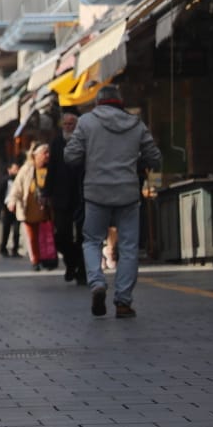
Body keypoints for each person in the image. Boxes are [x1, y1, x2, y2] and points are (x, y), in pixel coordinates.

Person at [65, 84, 162, 319]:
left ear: (98, 102)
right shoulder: (135, 123)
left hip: (96, 193)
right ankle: (123, 302)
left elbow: (71, 156)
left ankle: (97, 284)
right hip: (127, 193)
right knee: (128, 248)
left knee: (91, 242)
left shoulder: (86, 122)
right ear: (120, 101)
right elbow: (155, 158)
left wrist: (91, 157)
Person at [44, 108, 86, 286]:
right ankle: (71, 262)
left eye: (72, 124)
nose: (68, 127)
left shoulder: (85, 141)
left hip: (82, 194)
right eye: (66, 124)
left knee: (84, 235)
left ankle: (82, 271)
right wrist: (46, 192)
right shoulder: (57, 142)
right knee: (62, 235)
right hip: (61, 196)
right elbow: (51, 169)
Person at [6, 143, 54, 271]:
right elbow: (17, 187)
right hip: (29, 210)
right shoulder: (27, 169)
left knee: (47, 235)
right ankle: (35, 260)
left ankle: (48, 258)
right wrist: (12, 201)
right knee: (32, 237)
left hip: (47, 210)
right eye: (44, 153)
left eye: (48, 152)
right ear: (35, 155)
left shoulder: (52, 168)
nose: (47, 155)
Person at [0, 161, 22, 257]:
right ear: (9, 169)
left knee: (16, 230)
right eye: (15, 169)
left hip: (17, 207)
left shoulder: (19, 180)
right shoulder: (4, 180)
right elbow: (0, 195)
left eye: (17, 169)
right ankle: (3, 248)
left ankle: (15, 249)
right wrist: (1, 208)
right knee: (6, 230)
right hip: (7, 207)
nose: (17, 171)